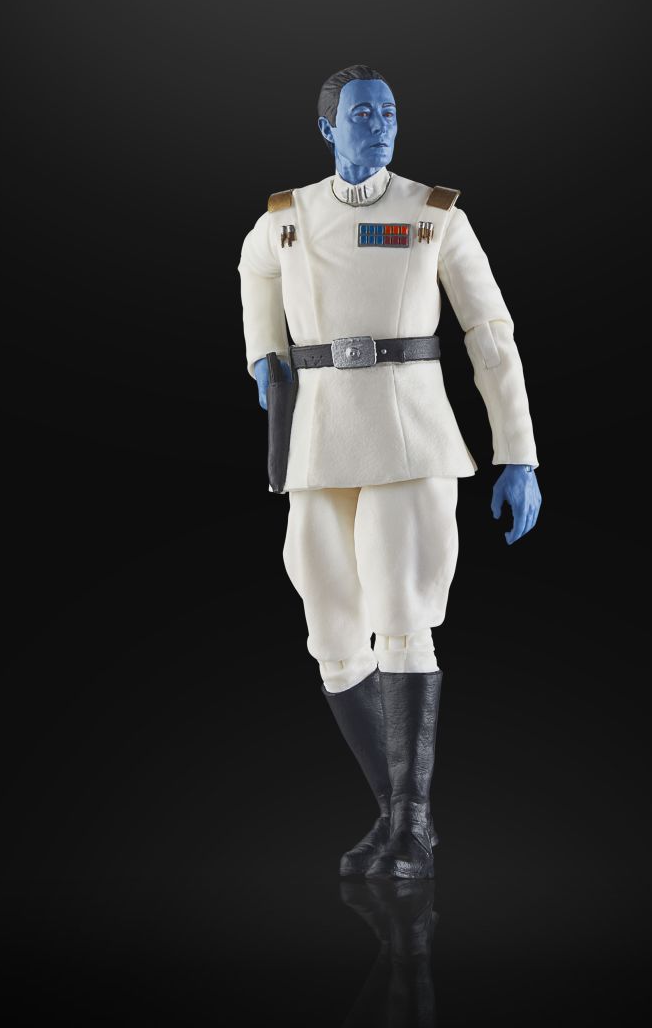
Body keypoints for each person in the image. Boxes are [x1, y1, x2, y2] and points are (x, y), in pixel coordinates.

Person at [237, 64, 541, 879]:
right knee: (330, 628)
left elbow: (490, 334)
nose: (381, 125)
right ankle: (399, 816)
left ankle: (409, 827)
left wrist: (517, 453)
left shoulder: (433, 214)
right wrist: (264, 351)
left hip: (410, 434)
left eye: (389, 112)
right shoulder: (286, 217)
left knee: (404, 615)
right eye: (363, 114)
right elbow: (254, 268)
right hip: (318, 438)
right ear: (328, 128)